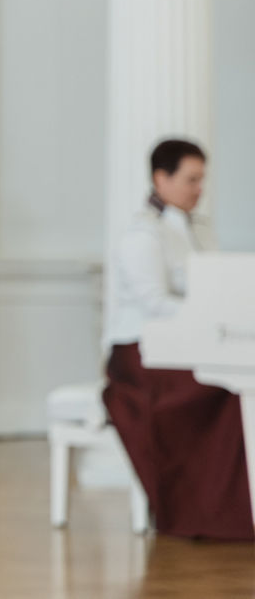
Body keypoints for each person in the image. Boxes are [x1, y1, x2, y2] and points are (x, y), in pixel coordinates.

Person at [103, 138, 254, 540]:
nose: (198, 188)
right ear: (161, 178)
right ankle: (211, 513)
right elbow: (154, 303)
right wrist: (208, 318)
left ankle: (234, 507)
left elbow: (216, 286)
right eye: (191, 179)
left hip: (188, 345)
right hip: (141, 356)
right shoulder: (142, 234)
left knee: (240, 383)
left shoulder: (198, 228)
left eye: (201, 179)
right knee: (224, 390)